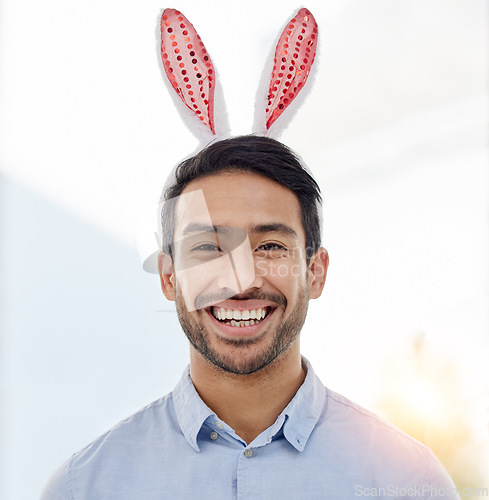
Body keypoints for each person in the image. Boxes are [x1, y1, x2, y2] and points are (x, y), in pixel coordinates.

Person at [41, 136, 460, 499]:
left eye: (270, 246)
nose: (240, 280)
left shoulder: (409, 482)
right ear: (169, 277)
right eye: (207, 247)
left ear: (315, 271)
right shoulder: (85, 489)